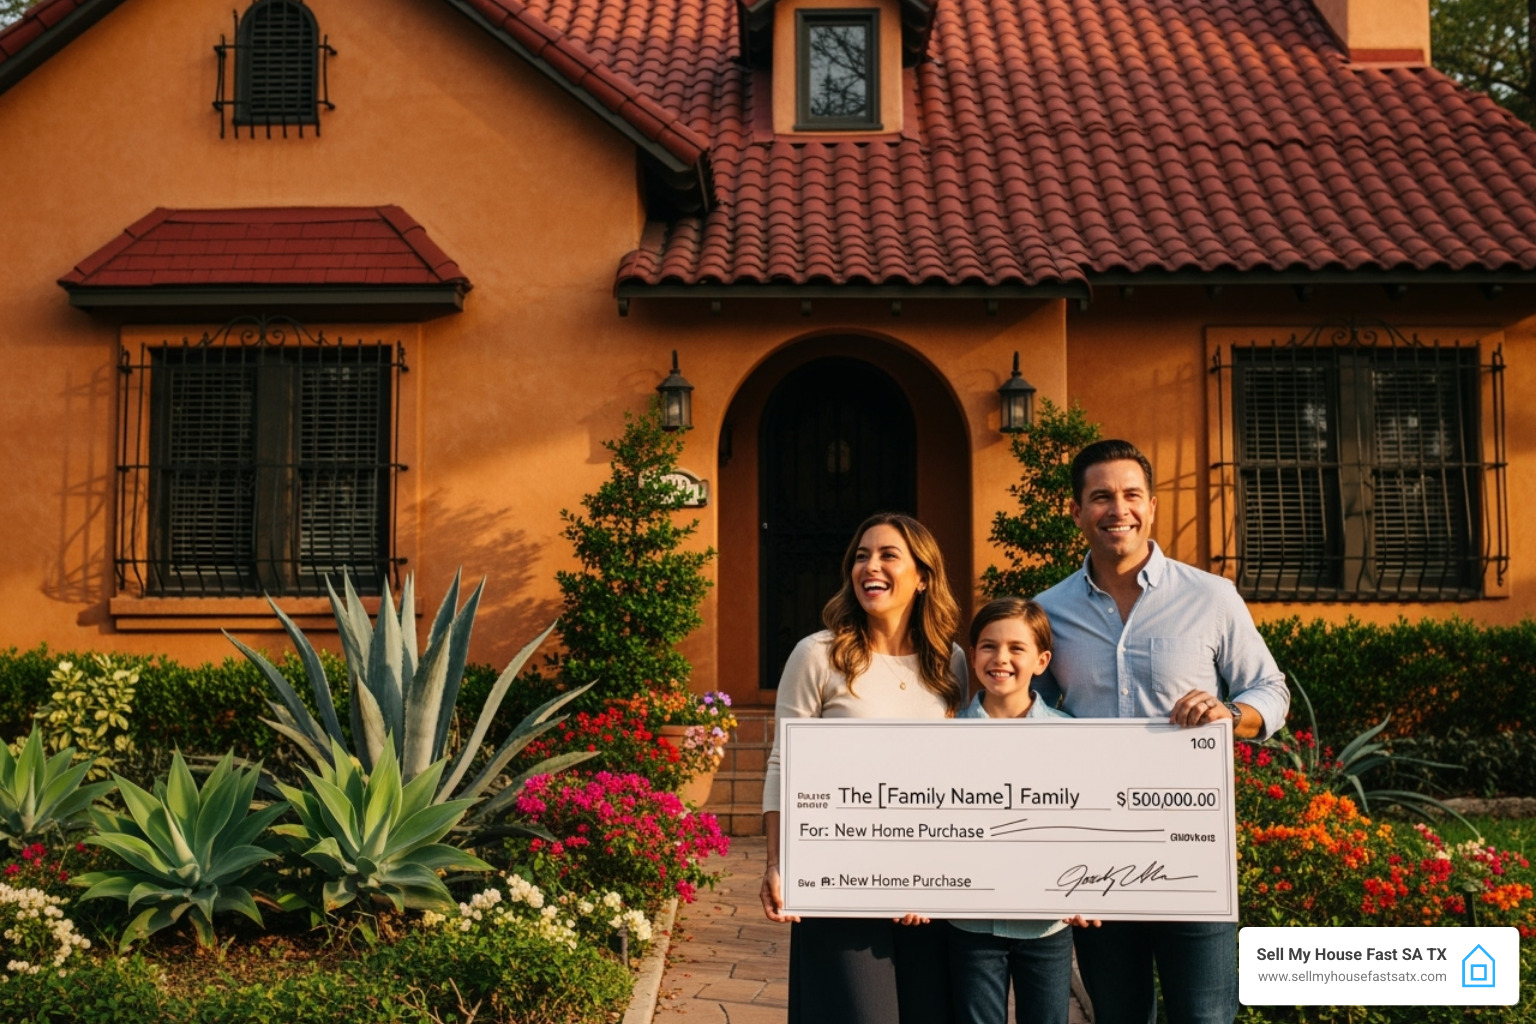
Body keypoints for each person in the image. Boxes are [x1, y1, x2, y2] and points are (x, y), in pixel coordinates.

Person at [1033, 439, 1290, 1024]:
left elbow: (1270, 692)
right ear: (1076, 512)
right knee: (1120, 1014)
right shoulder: (1048, 612)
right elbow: (1030, 718)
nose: (1116, 509)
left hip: (1191, 847)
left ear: (1151, 507)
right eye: (1100, 497)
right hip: (1094, 853)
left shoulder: (1211, 597)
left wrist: (1231, 715)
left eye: (1130, 495)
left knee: (1205, 1015)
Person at [760, 511, 967, 1024]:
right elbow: (785, 761)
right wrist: (776, 861)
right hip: (840, 881)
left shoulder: (953, 662)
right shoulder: (817, 655)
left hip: (929, 887)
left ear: (922, 577)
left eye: (888, 555)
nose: (870, 566)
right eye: (861, 556)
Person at [947, 596, 1093, 1024]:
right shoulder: (943, 736)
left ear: (1042, 660)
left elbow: (1086, 823)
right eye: (989, 646)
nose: (1001, 658)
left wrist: (1093, 886)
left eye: (1016, 648)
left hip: (1047, 925)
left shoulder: (1072, 737)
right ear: (972, 655)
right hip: (971, 925)